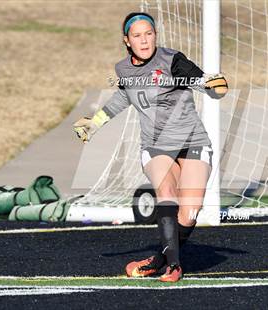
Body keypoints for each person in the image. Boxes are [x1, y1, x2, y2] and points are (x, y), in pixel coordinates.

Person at [73, 12, 228, 282]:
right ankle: (174, 266)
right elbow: (123, 96)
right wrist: (94, 123)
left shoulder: (172, 60)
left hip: (193, 142)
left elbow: (199, 80)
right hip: (156, 146)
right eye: (137, 35)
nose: (144, 40)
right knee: (166, 192)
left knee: (190, 213)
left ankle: (158, 260)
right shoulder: (123, 69)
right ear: (126, 40)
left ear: (155, 35)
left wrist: (212, 86)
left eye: (149, 34)